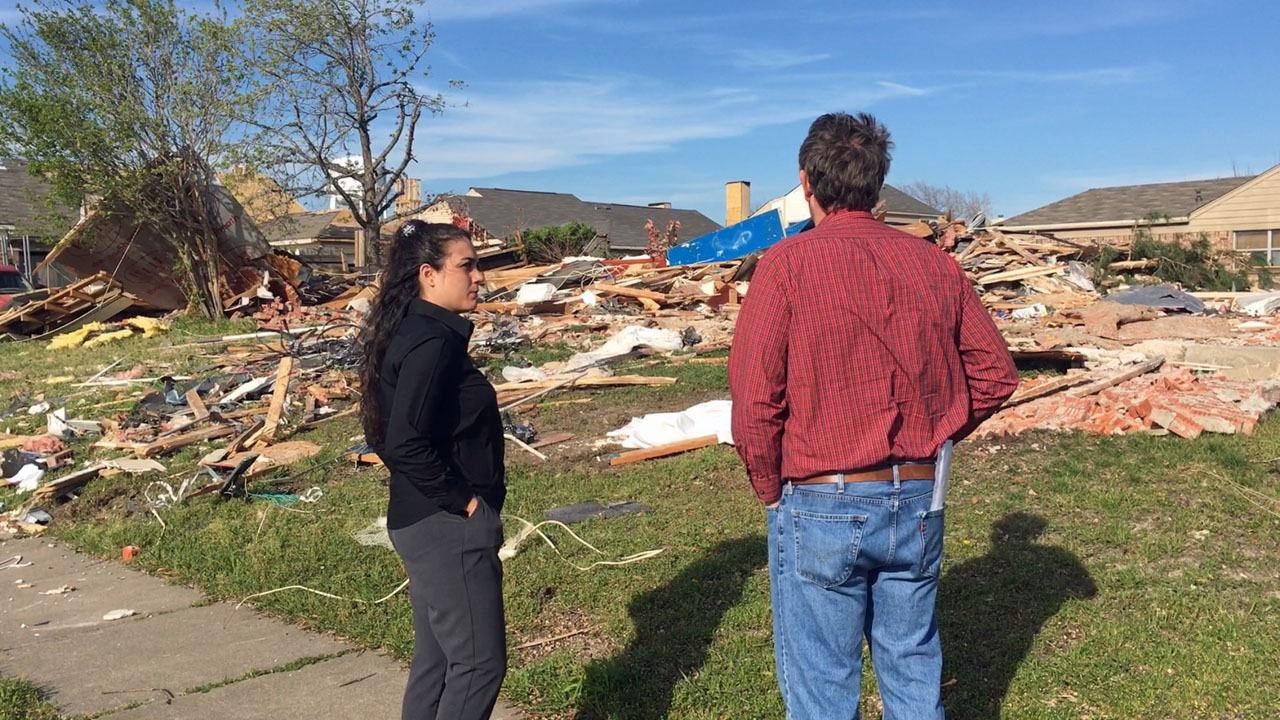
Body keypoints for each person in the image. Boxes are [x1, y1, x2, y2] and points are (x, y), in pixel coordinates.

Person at [728, 112, 1018, 719]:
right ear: (878, 183)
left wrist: (769, 490)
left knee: (823, 685)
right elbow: (994, 373)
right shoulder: (935, 264)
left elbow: (755, 401)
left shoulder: (785, 266)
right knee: (911, 668)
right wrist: (935, 434)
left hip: (821, 496)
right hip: (916, 495)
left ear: (806, 181)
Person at [357, 220, 507, 720]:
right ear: (429, 274)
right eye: (467, 266)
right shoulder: (432, 342)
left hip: (420, 520)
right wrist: (465, 503)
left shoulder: (412, 331)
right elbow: (403, 441)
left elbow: (386, 434)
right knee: (479, 665)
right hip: (446, 527)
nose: (479, 276)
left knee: (438, 662)